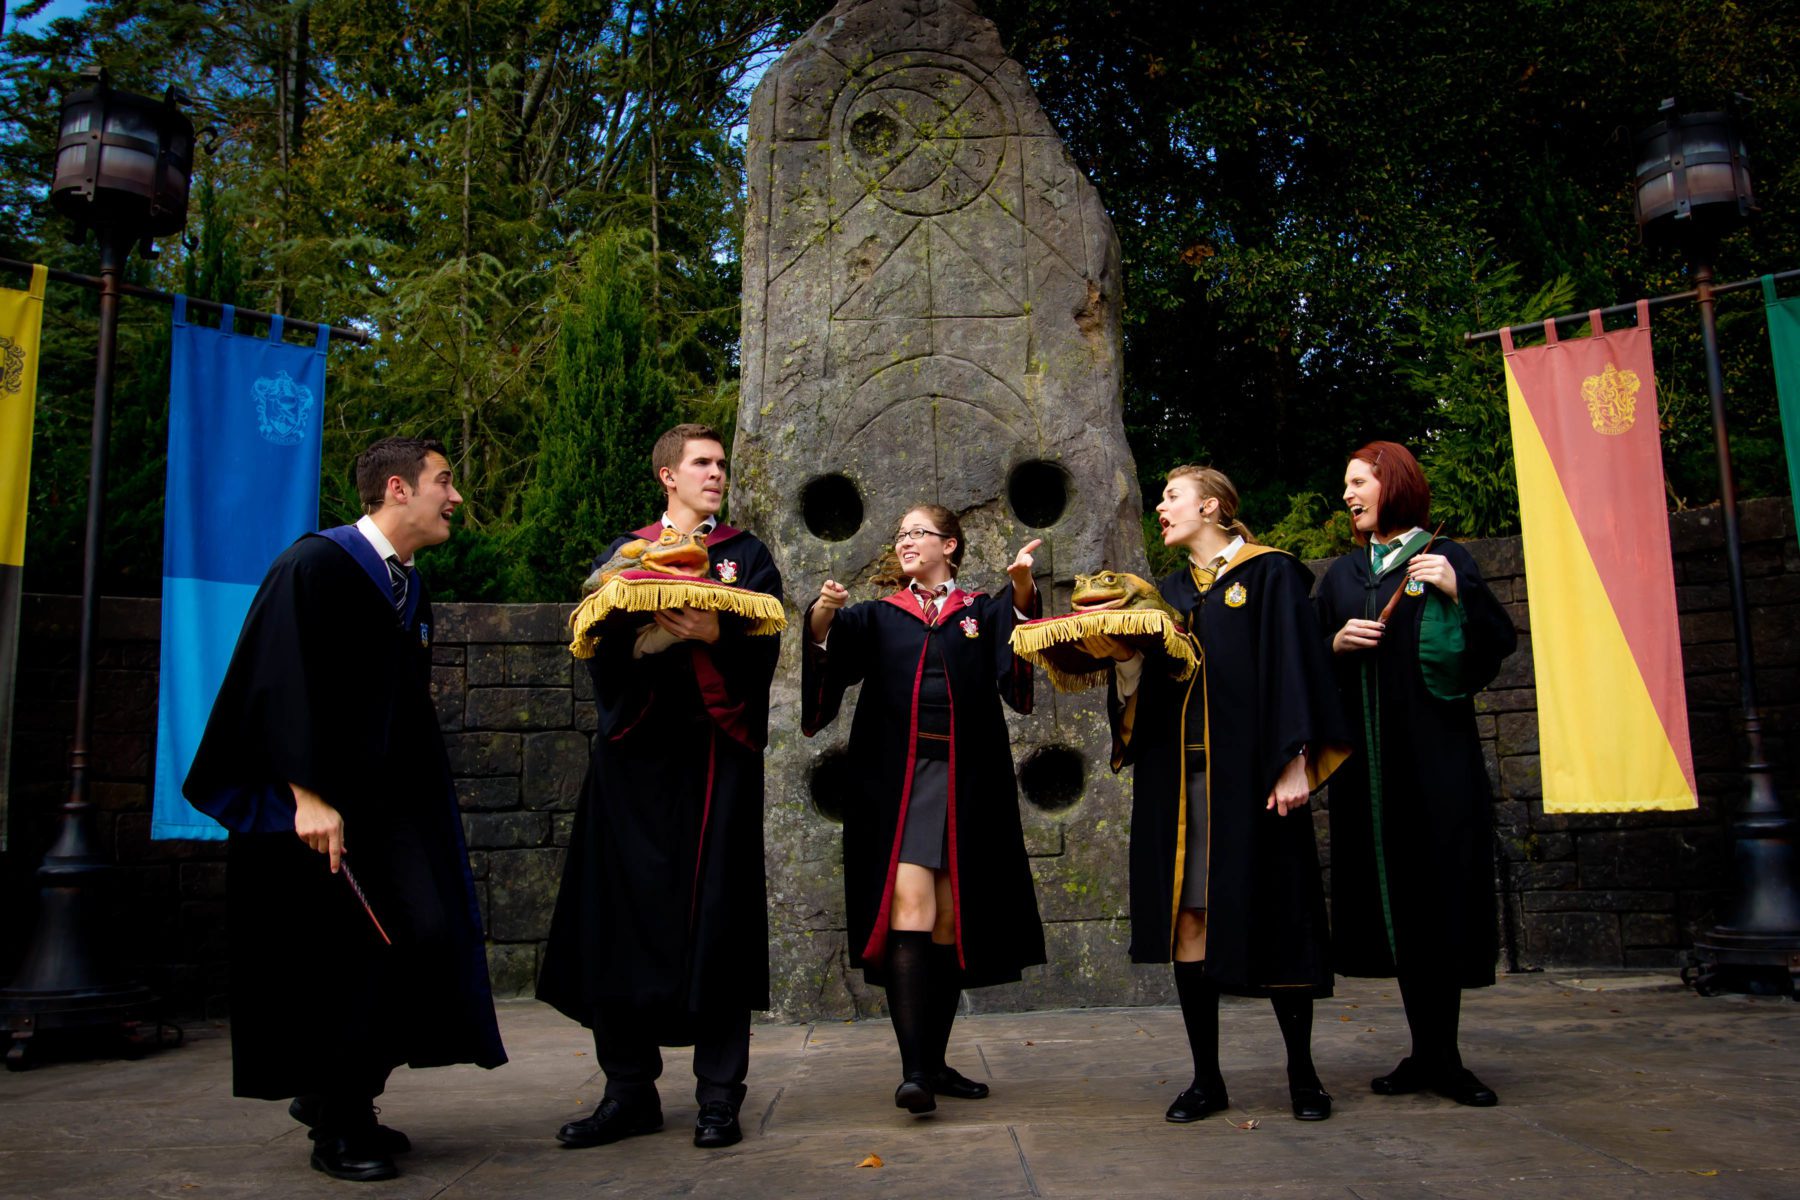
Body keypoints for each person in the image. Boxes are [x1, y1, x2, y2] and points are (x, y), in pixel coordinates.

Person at [183, 436, 506, 1183]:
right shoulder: (316, 566)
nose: (454, 498)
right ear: (398, 489)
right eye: (443, 482)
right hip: (316, 813)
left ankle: (339, 1092)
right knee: (343, 958)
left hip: (387, 809)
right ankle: (339, 1121)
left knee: (422, 934)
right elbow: (271, 681)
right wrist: (306, 796)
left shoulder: (408, 586)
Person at [537, 423, 782, 1151]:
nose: (716, 474)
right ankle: (628, 1091)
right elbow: (594, 644)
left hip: (715, 758)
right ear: (666, 477)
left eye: (721, 464)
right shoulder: (624, 557)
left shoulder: (746, 556)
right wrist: (648, 640)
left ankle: (718, 1096)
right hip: (634, 760)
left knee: (720, 918)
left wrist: (714, 634)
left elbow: (766, 649)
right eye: (702, 464)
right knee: (616, 918)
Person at [1101, 466, 1349, 1123]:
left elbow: (1301, 665)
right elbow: (1148, 701)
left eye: (1171, 496)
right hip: (1180, 788)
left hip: (1255, 782)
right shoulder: (1167, 595)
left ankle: (1303, 1075)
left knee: (1279, 912)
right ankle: (1206, 1080)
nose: (1160, 507)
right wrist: (1125, 662)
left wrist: (1297, 760)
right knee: (1190, 921)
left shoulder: (1272, 575)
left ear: (1211, 505)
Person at [802, 506, 1045, 1114]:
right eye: (901, 534)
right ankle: (913, 1072)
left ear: (950, 545)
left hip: (968, 785)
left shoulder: (981, 611)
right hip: (898, 786)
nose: (905, 541)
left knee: (947, 923)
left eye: (918, 533)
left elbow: (1016, 670)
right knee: (909, 909)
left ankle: (934, 1064)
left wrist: (1020, 589)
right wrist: (823, 614)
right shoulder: (880, 615)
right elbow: (829, 652)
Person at [1314, 441, 1517, 1107]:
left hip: (1437, 768)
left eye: (1358, 482)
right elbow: (1307, 663)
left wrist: (1461, 593)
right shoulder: (1344, 576)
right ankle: (1421, 1050)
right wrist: (1334, 644)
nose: (1348, 495)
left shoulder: (1444, 559)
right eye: (1346, 485)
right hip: (1369, 778)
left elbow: (1496, 644)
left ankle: (1445, 1057)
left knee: (1440, 899)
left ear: (1392, 484)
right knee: (1396, 904)